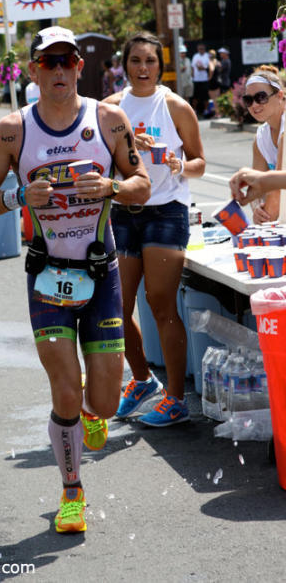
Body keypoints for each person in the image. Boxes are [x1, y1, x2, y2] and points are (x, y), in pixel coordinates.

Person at [0, 26, 150, 533]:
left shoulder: (109, 120)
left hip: (101, 272)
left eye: (67, 61)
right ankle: (72, 491)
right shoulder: (11, 131)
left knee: (105, 402)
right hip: (47, 275)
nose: (60, 70)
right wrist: (18, 197)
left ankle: (91, 413)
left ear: (79, 67)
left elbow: (142, 185)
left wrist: (111, 186)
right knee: (65, 391)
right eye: (49, 62)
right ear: (34, 71)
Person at [104, 31, 205, 427]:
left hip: (166, 212)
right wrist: (129, 146)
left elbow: (199, 162)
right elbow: (101, 161)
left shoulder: (175, 106)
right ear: (124, 65)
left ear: (160, 66)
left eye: (150, 60)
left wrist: (179, 165)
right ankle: (143, 380)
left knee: (161, 303)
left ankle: (176, 400)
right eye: (135, 60)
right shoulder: (111, 108)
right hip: (123, 212)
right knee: (116, 307)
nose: (143, 67)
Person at [237, 66, 285, 224]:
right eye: (248, 100)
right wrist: (257, 208)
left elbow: (276, 191)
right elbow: (257, 187)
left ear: (280, 95)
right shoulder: (261, 137)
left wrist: (266, 217)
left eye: (261, 97)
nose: (254, 105)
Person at [191, 43, 210, 117]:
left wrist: (202, 68)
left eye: (202, 49)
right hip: (196, 80)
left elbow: (209, 67)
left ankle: (206, 110)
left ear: (204, 49)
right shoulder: (195, 56)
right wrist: (192, 76)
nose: (200, 50)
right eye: (199, 49)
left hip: (204, 79)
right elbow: (193, 67)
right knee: (195, 96)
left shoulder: (207, 56)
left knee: (205, 96)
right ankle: (194, 111)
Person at [207, 49, 221, 116]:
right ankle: (219, 113)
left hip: (212, 82)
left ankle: (217, 113)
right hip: (217, 81)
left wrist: (209, 77)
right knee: (217, 98)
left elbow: (212, 70)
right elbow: (220, 69)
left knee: (214, 98)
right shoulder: (217, 62)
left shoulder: (210, 62)